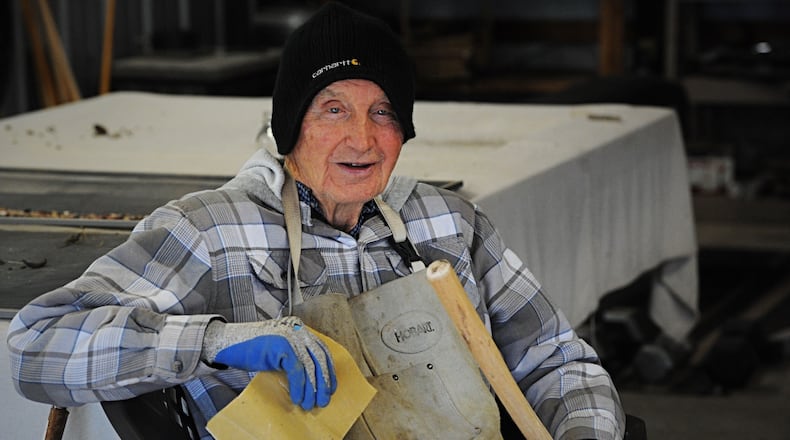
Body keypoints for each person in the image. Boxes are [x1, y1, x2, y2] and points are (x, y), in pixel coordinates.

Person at [7, 2, 624, 439]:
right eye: (333, 108)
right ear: (289, 126)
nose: (362, 138)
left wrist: (585, 434)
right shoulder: (213, 233)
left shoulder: (449, 224)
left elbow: (557, 362)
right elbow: (38, 347)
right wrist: (220, 342)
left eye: (383, 112)